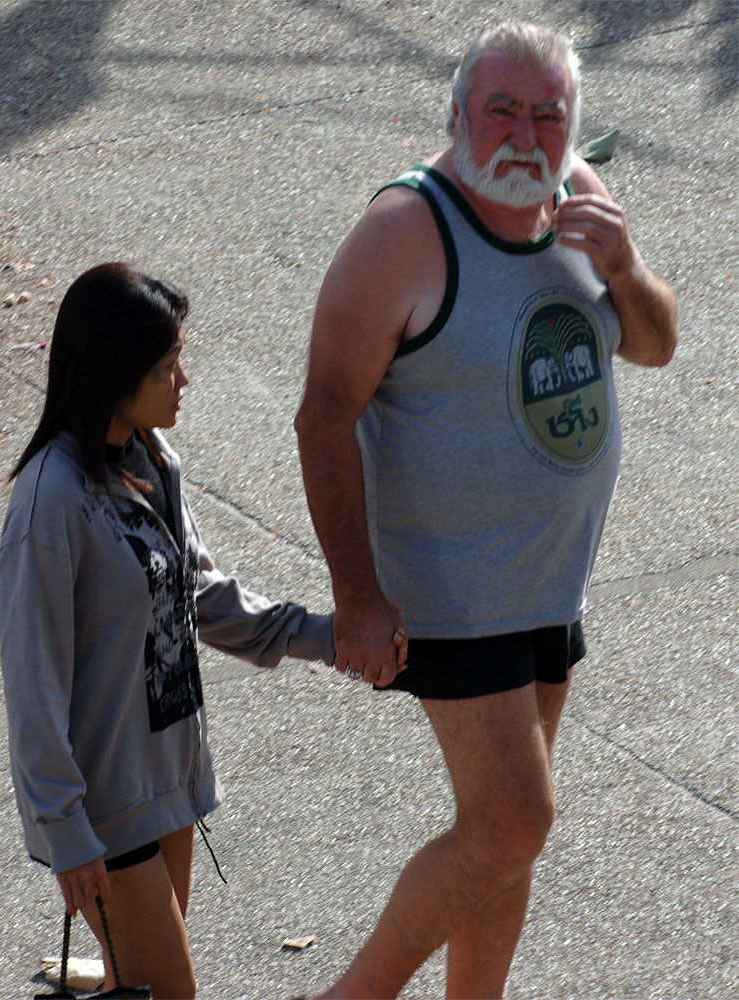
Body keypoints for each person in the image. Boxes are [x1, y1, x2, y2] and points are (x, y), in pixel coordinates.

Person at [294, 20, 677, 1000]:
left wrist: (625, 269)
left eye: (546, 115)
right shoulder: (400, 234)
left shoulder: (579, 202)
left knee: (502, 839)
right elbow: (323, 417)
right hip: (451, 589)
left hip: (548, 579)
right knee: (511, 821)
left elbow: (652, 345)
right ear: (454, 114)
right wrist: (357, 597)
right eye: (499, 109)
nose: (523, 134)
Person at [0, 262, 343, 999]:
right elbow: (32, 684)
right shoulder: (49, 503)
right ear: (113, 375)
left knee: (144, 984)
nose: (183, 380)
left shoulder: (152, 460)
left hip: (166, 784)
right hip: (104, 810)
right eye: (165, 366)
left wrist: (326, 637)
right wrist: (65, 834)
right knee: (171, 990)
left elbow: (199, 597)